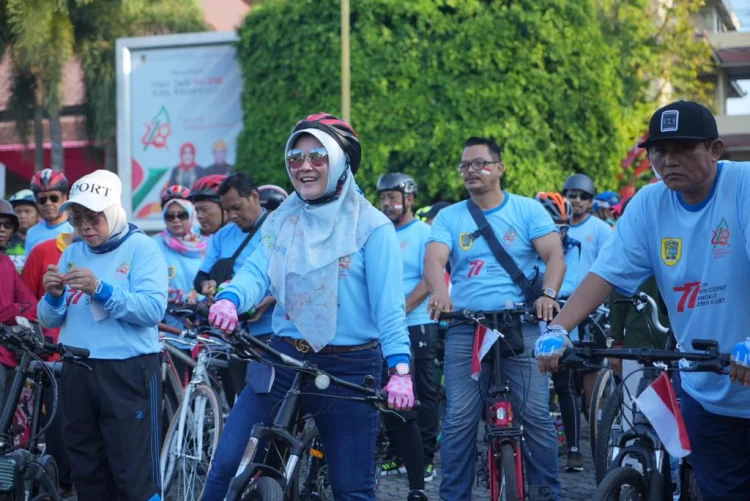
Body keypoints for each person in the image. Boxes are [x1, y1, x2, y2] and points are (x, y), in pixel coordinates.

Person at [536, 100, 750, 501]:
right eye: (659, 150)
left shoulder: (743, 186)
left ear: (715, 150)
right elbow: (605, 274)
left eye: (683, 148)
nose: (668, 160)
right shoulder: (649, 204)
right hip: (709, 394)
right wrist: (559, 329)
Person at [202, 113, 416, 501]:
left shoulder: (372, 227)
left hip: (350, 366)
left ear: (340, 162)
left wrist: (400, 369)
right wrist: (230, 300)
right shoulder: (283, 221)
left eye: (318, 156)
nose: (305, 166)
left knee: (352, 489)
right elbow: (256, 272)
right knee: (227, 465)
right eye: (295, 158)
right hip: (283, 358)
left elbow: (390, 309)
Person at [424, 136, 564, 501]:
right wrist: (440, 292)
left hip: (521, 325)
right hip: (466, 328)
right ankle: (454, 496)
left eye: (480, 163)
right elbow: (435, 261)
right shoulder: (449, 217)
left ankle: (547, 493)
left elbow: (554, 257)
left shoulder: (527, 211)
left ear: (499, 168)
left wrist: (548, 295)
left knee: (535, 416)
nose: (471, 171)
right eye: (465, 165)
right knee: (458, 421)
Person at [37, 169, 168, 501]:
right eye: (77, 218)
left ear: (113, 210)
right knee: (87, 468)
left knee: (134, 472)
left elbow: (153, 310)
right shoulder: (73, 253)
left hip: (129, 371)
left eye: (93, 217)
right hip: (78, 371)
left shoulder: (143, 248)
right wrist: (52, 296)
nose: (84, 226)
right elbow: (49, 317)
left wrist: (102, 289)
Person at [378, 172, 440, 483]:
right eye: (383, 198)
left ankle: (425, 456)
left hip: (417, 323)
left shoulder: (424, 234)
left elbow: (430, 281)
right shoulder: (380, 232)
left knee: (424, 393)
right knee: (390, 389)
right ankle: (397, 454)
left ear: (410, 199)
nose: (387, 203)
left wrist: (397, 311)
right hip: (385, 327)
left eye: (393, 197)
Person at [193, 173, 274, 403]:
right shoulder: (222, 236)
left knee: (269, 401)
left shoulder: (279, 228)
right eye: (227, 210)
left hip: (270, 333)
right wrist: (206, 286)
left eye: (237, 207)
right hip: (235, 335)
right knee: (240, 400)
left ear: (255, 197)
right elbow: (201, 277)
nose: (232, 216)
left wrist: (270, 300)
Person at [534, 192, 585, 471]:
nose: (561, 233)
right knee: (533, 388)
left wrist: (552, 295)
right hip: (532, 323)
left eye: (565, 227)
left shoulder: (573, 247)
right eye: (556, 228)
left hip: (563, 321)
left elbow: (574, 281)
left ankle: (575, 448)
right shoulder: (528, 246)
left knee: (566, 387)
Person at [561, 173, 612, 409]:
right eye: (573, 195)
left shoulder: (601, 229)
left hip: (593, 310)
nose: (578, 200)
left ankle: (593, 424)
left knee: (590, 368)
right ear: (564, 198)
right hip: (561, 307)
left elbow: (612, 266)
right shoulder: (555, 228)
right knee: (563, 371)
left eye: (584, 197)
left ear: (591, 201)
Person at [0, 199, 39, 403]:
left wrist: (15, 310)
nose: (2, 229)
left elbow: (32, 305)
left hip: (9, 356)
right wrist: (16, 310)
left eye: (7, 225)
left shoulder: (6, 262)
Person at [154, 187, 207, 321]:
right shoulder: (153, 245)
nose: (176, 220)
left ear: (191, 215)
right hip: (168, 326)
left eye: (182, 215)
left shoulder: (209, 242)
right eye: (170, 216)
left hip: (205, 321)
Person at [25, 169, 74, 254]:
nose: (48, 203)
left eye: (54, 198)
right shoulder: (31, 233)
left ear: (64, 198)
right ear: (36, 201)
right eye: (42, 199)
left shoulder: (74, 230)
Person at [6, 189, 40, 271]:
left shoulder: (44, 239)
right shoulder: (4, 240)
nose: (22, 216)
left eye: (27, 211)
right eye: (18, 211)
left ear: (38, 214)